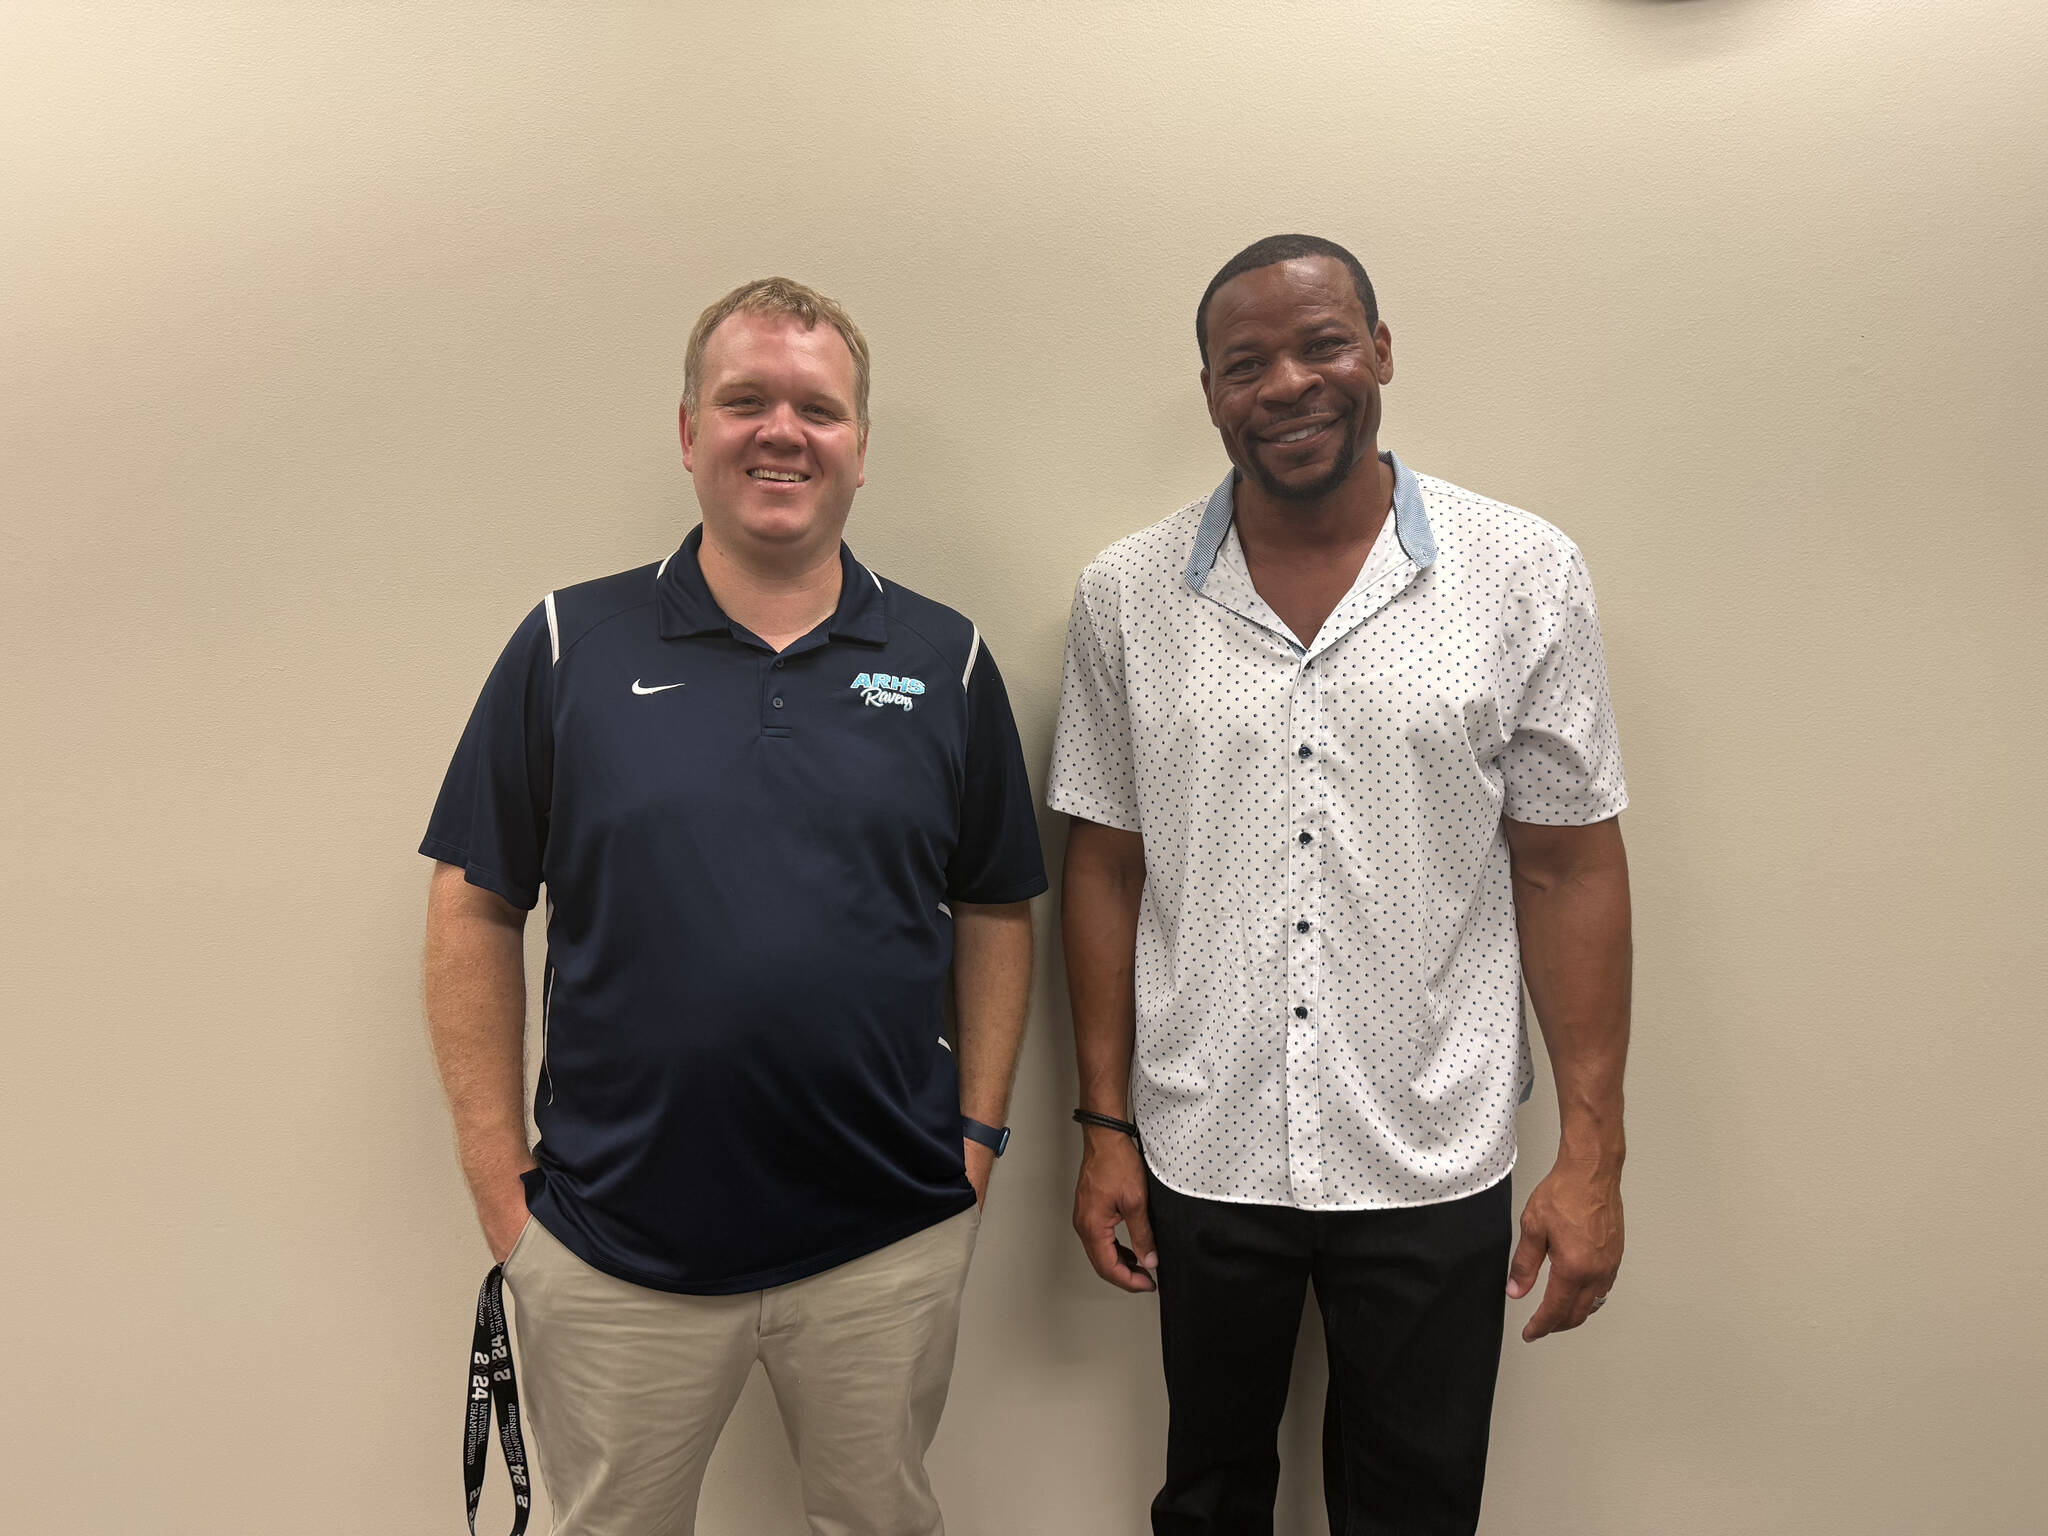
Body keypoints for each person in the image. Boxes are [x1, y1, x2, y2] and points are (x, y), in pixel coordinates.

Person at [421, 276, 1045, 1536]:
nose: (781, 430)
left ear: (859, 450)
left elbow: (992, 908)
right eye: (744, 399)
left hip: (886, 1233)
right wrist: (504, 1190)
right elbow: (474, 907)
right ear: (689, 432)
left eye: (816, 408)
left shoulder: (946, 661)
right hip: (611, 1241)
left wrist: (973, 1142)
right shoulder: (564, 646)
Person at [1049, 234, 1632, 1535]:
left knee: (1414, 1508)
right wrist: (1103, 1126)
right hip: (1204, 1144)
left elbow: (1569, 861)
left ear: (1380, 353)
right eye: (1245, 363)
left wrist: (1592, 1151)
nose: (1289, 384)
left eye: (1321, 345)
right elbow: (1104, 863)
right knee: (1206, 1495)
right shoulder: (1127, 594)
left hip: (1433, 1151)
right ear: (1209, 393)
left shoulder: (1520, 573)